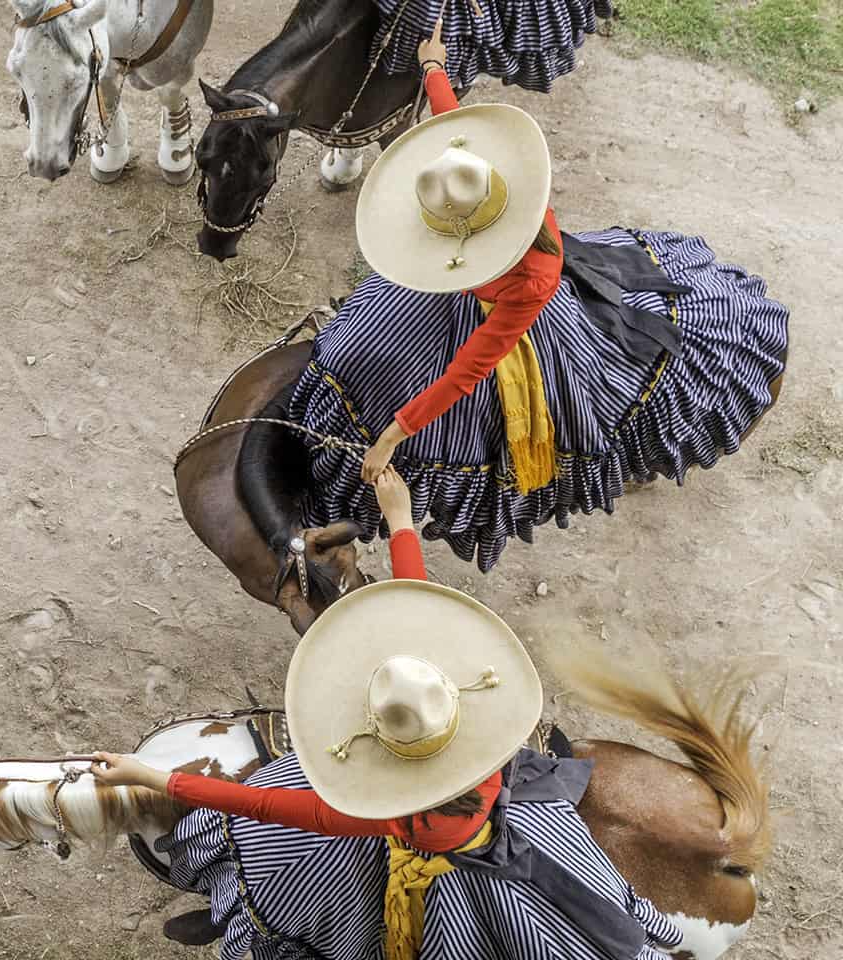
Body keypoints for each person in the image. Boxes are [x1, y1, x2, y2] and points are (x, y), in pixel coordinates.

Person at [92, 472, 680, 959]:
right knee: (594, 882)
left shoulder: (382, 821)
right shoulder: (487, 762)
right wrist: (400, 520)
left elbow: (261, 804)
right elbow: (417, 621)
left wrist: (155, 778)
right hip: (527, 834)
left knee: (282, 859)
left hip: (429, 881)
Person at [285, 21, 788, 570]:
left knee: (496, 412)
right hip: (454, 290)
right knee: (371, 330)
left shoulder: (534, 276)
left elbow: (470, 366)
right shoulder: (487, 179)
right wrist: (433, 67)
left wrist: (393, 433)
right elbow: (455, 134)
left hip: (509, 329)